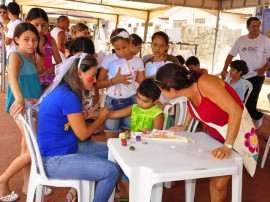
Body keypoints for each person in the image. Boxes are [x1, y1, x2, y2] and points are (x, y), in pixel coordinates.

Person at [155, 63, 258, 202]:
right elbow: (192, 104)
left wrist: (227, 146)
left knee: (220, 183)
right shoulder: (187, 89)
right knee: (215, 178)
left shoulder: (205, 83)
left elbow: (235, 111)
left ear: (172, 91)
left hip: (235, 135)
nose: (161, 93)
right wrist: (184, 125)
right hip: (215, 136)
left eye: (162, 89)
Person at [37, 53, 120, 202]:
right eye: (93, 75)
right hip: (54, 160)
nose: (94, 81)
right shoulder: (68, 96)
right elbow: (83, 134)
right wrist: (101, 117)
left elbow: (67, 120)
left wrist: (89, 115)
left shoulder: (64, 91)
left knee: (115, 151)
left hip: (63, 150)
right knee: (111, 171)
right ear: (79, 73)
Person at [0, 22, 42, 201]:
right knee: (32, 148)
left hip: (31, 107)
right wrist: (19, 99)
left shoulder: (31, 57)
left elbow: (34, 77)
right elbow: (13, 79)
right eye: (26, 39)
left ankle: (27, 184)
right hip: (21, 108)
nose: (31, 43)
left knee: (27, 146)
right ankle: (2, 180)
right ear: (16, 39)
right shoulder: (15, 56)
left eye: (34, 40)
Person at [221, 17, 270, 130]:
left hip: (256, 76)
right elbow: (230, 55)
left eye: (258, 26)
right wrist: (224, 69)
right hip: (241, 75)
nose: (256, 28)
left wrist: (264, 69)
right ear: (247, 27)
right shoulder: (241, 40)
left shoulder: (265, 40)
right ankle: (245, 121)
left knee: (250, 101)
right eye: (253, 26)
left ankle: (257, 117)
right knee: (239, 100)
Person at [97, 28, 145, 139]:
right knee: (111, 138)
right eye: (117, 49)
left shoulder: (138, 61)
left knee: (128, 138)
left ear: (130, 43)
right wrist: (114, 80)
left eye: (124, 47)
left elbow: (142, 85)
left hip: (131, 101)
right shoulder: (108, 59)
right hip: (112, 102)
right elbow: (99, 84)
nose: (121, 51)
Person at [25, 8, 62, 92]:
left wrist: (44, 73)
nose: (40, 29)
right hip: (32, 83)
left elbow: (60, 65)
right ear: (28, 22)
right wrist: (40, 45)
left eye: (43, 25)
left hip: (50, 83)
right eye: (36, 25)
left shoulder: (50, 40)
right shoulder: (26, 41)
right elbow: (36, 68)